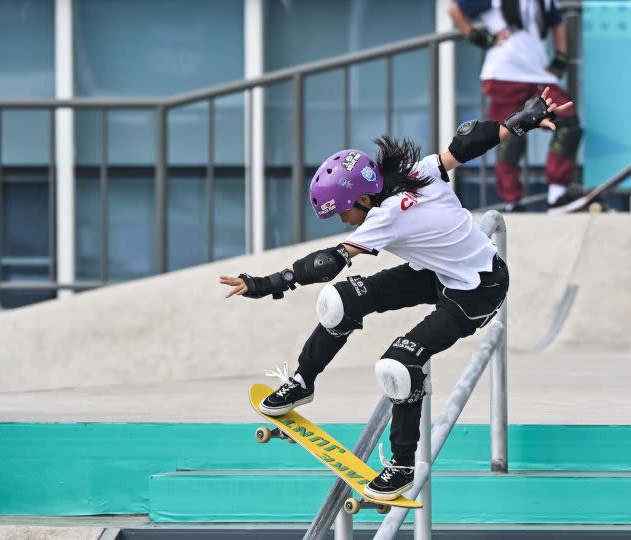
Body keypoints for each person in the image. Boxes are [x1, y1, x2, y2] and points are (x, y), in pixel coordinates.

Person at [220, 88, 570, 500]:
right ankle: (302, 381)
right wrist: (518, 122)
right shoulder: (421, 172)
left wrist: (267, 284)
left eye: (343, 212)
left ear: (364, 199)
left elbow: (328, 262)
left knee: (399, 364)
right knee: (340, 302)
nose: (344, 220)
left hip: (478, 289)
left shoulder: (382, 219)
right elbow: (466, 144)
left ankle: (403, 466)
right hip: (436, 272)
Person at [449, 0, 582, 212]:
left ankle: (557, 194)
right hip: (504, 75)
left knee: (568, 122)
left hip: (537, 74)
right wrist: (480, 37)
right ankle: (513, 201)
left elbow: (557, 24)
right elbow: (455, 9)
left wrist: (560, 60)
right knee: (508, 135)